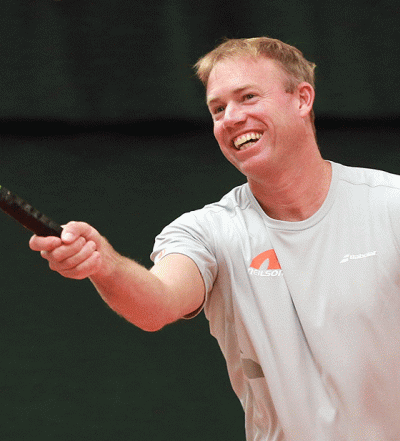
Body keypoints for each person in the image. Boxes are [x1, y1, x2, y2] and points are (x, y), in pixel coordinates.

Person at [29, 37, 400, 441]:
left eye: (248, 97)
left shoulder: (389, 206)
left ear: (302, 99)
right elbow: (157, 304)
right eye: (218, 108)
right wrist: (104, 265)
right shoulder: (207, 231)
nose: (231, 117)